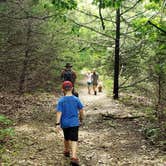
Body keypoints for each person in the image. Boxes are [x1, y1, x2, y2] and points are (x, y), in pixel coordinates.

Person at [55, 81, 84, 166]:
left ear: (62, 89)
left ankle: (67, 150)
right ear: (72, 88)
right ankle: (74, 157)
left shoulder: (61, 101)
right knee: (74, 139)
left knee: (66, 137)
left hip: (65, 123)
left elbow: (59, 112)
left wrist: (57, 124)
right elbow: (81, 110)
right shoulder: (76, 99)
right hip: (74, 123)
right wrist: (81, 118)